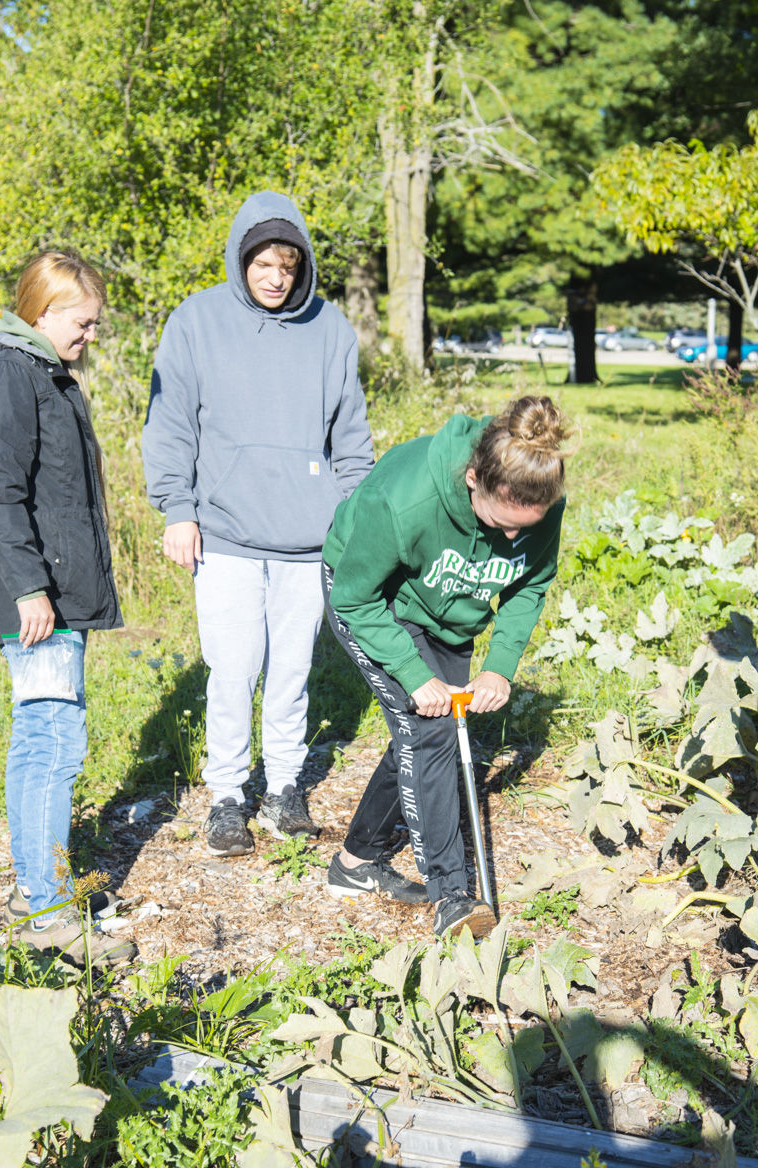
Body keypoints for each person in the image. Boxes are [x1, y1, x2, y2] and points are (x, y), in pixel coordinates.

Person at [142, 192, 373, 858]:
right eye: (263, 264)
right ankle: (225, 797)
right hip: (224, 533)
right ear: (241, 258)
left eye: (288, 265)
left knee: (292, 671)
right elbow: (171, 425)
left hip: (307, 539)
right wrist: (177, 510)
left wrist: (352, 521)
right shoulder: (195, 320)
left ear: (303, 266)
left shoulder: (329, 330)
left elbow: (351, 438)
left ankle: (283, 789)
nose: (276, 277)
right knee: (233, 668)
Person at [322, 396, 575, 938]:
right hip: (374, 598)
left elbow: (529, 586)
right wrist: (413, 675)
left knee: (422, 734)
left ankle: (354, 864)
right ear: (471, 478)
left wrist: (499, 667)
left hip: (448, 609)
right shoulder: (403, 500)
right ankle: (452, 896)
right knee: (432, 731)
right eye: (500, 523)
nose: (511, 539)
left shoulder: (539, 499)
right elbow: (354, 598)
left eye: (521, 529)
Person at [0, 250, 136, 967]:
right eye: (81, 322)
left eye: (94, 324)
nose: (89, 336)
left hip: (55, 591)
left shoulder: (41, 372)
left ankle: (38, 884)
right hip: (38, 599)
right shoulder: (9, 373)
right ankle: (48, 912)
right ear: (42, 309)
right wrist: (30, 588)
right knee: (50, 744)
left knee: (50, 737)